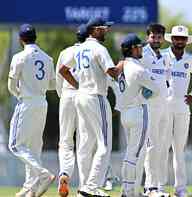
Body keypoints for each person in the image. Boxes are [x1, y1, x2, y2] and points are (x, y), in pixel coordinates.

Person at [59, 17, 120, 197]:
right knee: (104, 145)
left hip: (81, 96)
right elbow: (112, 72)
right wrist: (124, 65)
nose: (106, 31)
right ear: (94, 30)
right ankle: (91, 186)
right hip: (95, 97)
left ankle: (84, 187)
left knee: (85, 144)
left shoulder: (80, 49)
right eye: (103, 28)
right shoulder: (99, 48)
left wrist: (78, 85)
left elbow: (63, 70)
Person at [8, 23, 56, 197]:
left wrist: (22, 94)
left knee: (15, 145)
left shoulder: (19, 57)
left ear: (21, 39)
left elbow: (11, 86)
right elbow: (53, 84)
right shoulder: (47, 58)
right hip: (42, 103)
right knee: (34, 148)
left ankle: (42, 174)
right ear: (35, 37)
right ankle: (30, 188)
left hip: (26, 102)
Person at [115, 33, 161, 197]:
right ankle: (128, 191)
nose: (142, 48)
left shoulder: (121, 67)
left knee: (132, 152)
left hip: (125, 113)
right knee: (134, 154)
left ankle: (129, 190)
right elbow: (157, 88)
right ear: (133, 49)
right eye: (139, 46)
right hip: (138, 112)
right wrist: (143, 95)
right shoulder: (138, 69)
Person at [160, 25, 192, 197]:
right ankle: (160, 187)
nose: (179, 41)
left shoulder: (191, 59)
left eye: (182, 38)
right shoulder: (161, 56)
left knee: (179, 149)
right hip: (163, 106)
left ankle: (181, 189)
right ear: (172, 39)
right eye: (176, 38)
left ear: (186, 41)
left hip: (183, 107)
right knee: (162, 147)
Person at [134, 23, 171, 197]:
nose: (156, 40)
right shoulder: (143, 53)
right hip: (149, 105)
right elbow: (136, 75)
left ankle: (156, 185)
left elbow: (166, 79)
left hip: (164, 105)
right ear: (148, 37)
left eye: (159, 37)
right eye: (153, 37)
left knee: (161, 146)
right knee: (151, 146)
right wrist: (143, 91)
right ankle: (150, 187)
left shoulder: (164, 56)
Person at [56, 24, 88, 197]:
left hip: (68, 96)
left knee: (66, 141)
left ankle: (65, 173)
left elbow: (58, 79)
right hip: (85, 97)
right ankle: (84, 186)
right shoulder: (92, 51)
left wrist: (65, 97)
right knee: (85, 141)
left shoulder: (65, 52)